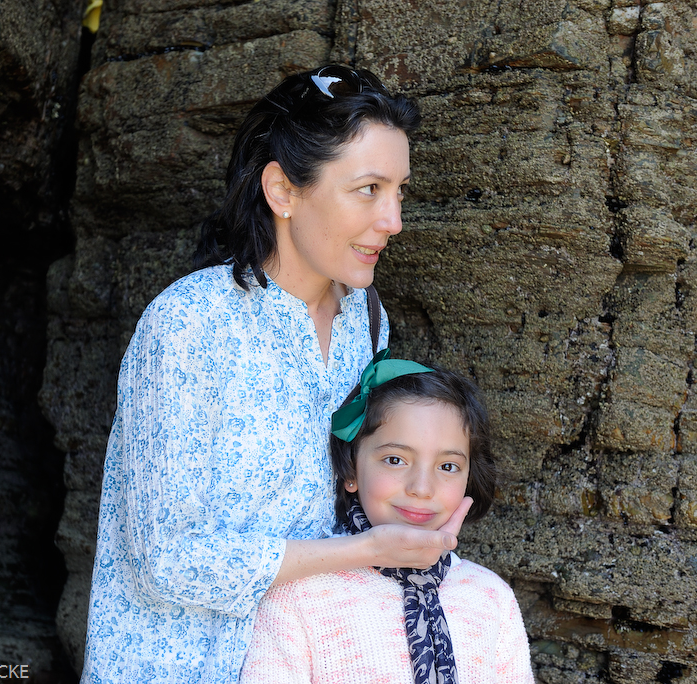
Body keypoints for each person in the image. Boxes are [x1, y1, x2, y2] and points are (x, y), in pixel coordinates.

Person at [80, 66, 474, 683]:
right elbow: (167, 558)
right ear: (283, 191)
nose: (393, 220)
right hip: (176, 666)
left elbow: (350, 486)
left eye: (399, 190)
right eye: (368, 189)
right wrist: (367, 551)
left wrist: (417, 521)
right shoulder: (188, 323)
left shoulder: (368, 322)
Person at [239, 353, 534, 684]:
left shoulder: (492, 598)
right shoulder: (298, 596)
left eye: (447, 466)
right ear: (350, 469)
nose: (422, 488)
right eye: (395, 460)